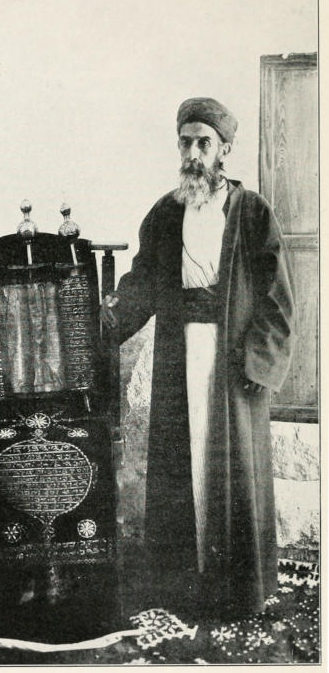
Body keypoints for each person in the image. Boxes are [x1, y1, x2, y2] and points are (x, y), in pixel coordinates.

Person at [101, 97, 295, 617]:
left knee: (230, 469)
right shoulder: (166, 212)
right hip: (179, 356)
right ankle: (183, 585)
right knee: (181, 465)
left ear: (224, 149)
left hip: (232, 363)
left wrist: (258, 362)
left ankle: (236, 590)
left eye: (203, 143)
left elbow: (278, 298)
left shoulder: (251, 211)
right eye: (185, 143)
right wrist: (109, 318)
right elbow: (143, 281)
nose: (192, 153)